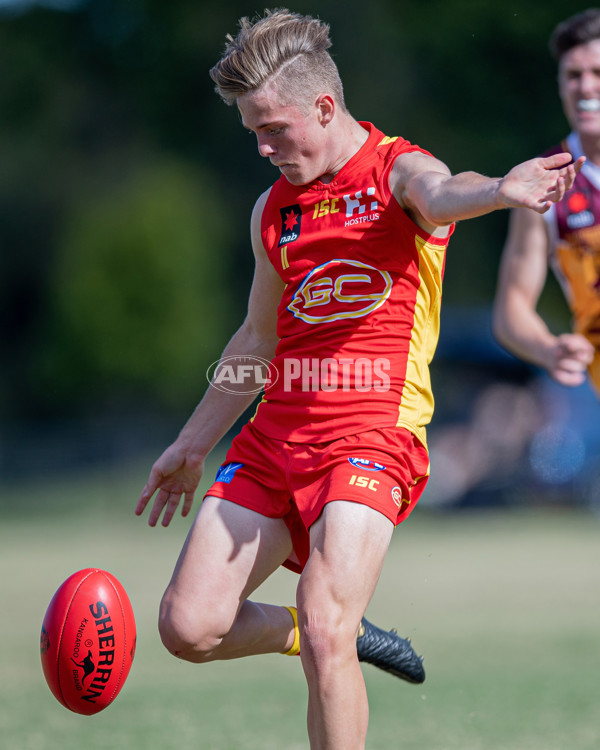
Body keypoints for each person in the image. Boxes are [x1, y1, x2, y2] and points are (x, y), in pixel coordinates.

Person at [135, 9, 581, 749]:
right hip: (276, 437)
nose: (263, 147)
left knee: (325, 622)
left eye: (273, 128)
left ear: (325, 107)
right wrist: (191, 444)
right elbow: (256, 336)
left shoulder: (399, 170)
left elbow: (444, 191)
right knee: (188, 626)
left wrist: (502, 187)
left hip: (372, 435)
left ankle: (327, 630)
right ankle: (319, 633)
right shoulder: (273, 211)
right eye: (252, 132)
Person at [494, 8, 600, 396]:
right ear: (560, 85)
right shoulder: (546, 181)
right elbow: (511, 311)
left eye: (597, 73)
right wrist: (549, 348)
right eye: (574, 75)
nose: (586, 87)